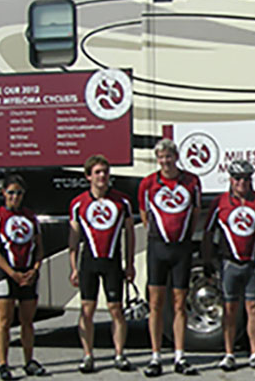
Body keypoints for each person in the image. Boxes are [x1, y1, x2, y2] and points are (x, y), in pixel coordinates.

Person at [137, 139, 202, 376]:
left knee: (179, 304)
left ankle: (180, 356)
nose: (165, 161)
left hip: (181, 249)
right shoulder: (148, 183)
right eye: (161, 157)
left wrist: (184, 235)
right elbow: (145, 215)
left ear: (176, 157)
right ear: (158, 160)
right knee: (155, 304)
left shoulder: (191, 181)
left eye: (169, 156)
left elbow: (195, 213)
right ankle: (155, 356)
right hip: (158, 248)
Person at [67, 154, 136, 373]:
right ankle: (88, 355)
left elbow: (130, 234)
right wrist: (73, 268)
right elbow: (73, 238)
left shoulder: (122, 201)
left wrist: (130, 263)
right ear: (88, 176)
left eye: (105, 172)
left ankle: (119, 354)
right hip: (89, 261)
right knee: (87, 309)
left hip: (112, 261)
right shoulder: (78, 203)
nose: (102, 176)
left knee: (116, 309)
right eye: (97, 172)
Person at [201, 160, 255, 372]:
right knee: (230, 309)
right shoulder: (220, 202)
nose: (242, 183)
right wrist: (207, 261)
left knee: (253, 309)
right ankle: (229, 353)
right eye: (237, 178)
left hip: (251, 263)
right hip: (229, 263)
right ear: (230, 180)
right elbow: (209, 233)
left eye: (246, 179)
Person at [0, 175, 47, 380]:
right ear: (3, 193)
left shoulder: (31, 217)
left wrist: (35, 269)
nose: (15, 197)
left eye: (19, 193)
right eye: (11, 192)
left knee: (27, 321)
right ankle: (3, 363)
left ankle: (29, 361)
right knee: (4, 320)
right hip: (6, 273)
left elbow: (39, 247)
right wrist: (12, 273)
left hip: (28, 273)